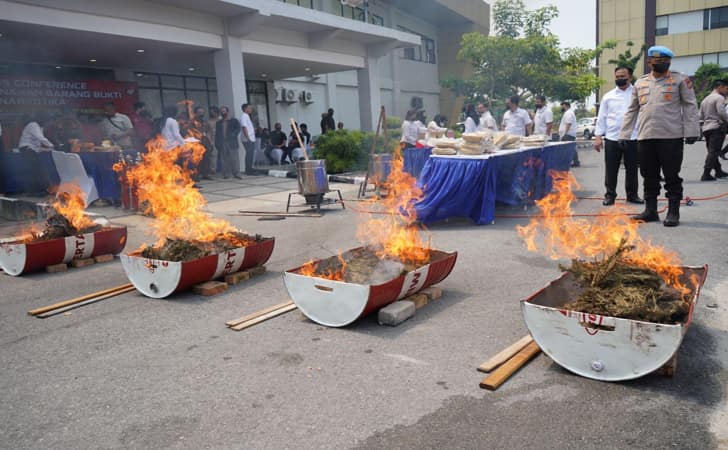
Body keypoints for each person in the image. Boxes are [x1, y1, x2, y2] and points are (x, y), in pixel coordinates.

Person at [619, 45, 700, 227]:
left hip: (671, 136)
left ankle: (673, 212)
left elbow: (689, 105)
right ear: (649, 62)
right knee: (648, 175)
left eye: (666, 61)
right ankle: (651, 210)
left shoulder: (680, 80)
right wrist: (624, 134)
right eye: (658, 61)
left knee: (671, 175)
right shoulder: (640, 83)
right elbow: (632, 110)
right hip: (646, 136)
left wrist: (692, 130)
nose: (663, 64)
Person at [594, 66, 643, 206]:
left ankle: (632, 195)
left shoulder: (637, 93)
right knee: (611, 169)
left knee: (632, 169)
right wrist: (598, 137)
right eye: (617, 76)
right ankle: (610, 195)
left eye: (623, 76)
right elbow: (601, 118)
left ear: (630, 77)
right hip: (612, 138)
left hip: (633, 137)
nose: (620, 79)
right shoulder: (608, 96)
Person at [698, 78, 728, 180]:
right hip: (717, 127)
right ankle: (706, 174)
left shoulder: (705, 99)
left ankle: (718, 171)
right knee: (714, 151)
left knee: (712, 151)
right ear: (720, 87)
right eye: (726, 89)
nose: (726, 91)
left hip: (706, 128)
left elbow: (700, 115)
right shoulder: (719, 98)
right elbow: (721, 112)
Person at [18, 112, 54, 195]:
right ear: (43, 119)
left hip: (31, 150)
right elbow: (41, 138)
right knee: (38, 170)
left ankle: (35, 191)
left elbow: (37, 147)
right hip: (27, 150)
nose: (47, 123)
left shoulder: (39, 128)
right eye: (47, 121)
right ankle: (40, 191)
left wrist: (48, 149)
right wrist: (52, 145)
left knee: (35, 171)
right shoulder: (33, 125)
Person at [215, 106, 242, 179]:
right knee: (224, 159)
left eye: (224, 111)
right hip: (222, 143)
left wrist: (233, 134)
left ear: (227, 111)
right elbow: (217, 134)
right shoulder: (218, 122)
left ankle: (237, 174)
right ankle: (226, 174)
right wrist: (216, 143)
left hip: (232, 142)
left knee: (234, 159)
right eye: (222, 111)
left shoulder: (234, 120)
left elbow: (238, 129)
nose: (223, 112)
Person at [189, 106, 213, 180]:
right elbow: (190, 133)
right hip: (196, 143)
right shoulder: (192, 122)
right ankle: (196, 175)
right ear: (195, 113)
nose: (201, 114)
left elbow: (208, 132)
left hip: (205, 142)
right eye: (199, 112)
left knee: (206, 158)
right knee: (197, 160)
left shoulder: (205, 122)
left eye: (202, 112)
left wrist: (210, 142)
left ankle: (206, 174)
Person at [558, 101, 579, 167]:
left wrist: (564, 134)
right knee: (571, 148)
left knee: (567, 149)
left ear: (567, 106)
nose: (561, 107)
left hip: (568, 134)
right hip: (569, 134)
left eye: (562, 105)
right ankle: (575, 162)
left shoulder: (568, 113)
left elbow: (568, 124)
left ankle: (569, 162)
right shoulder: (568, 113)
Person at [239, 103, 257, 175]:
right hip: (248, 139)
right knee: (249, 154)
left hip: (250, 138)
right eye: (249, 108)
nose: (251, 109)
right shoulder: (244, 116)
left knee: (250, 154)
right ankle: (248, 170)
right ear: (245, 109)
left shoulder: (247, 116)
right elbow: (244, 127)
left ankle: (250, 168)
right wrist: (248, 138)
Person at [207, 106, 220, 174]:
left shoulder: (220, 120)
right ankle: (213, 169)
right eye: (211, 112)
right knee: (213, 155)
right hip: (213, 139)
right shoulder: (209, 122)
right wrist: (210, 141)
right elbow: (208, 132)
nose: (212, 113)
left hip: (221, 139)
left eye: (213, 112)